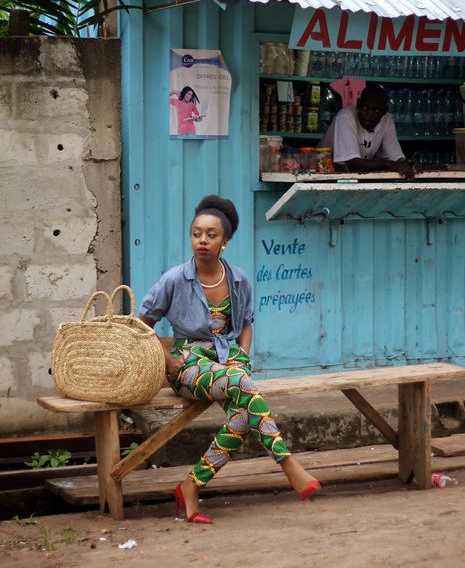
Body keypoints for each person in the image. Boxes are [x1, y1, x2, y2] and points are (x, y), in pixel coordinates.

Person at [139, 195, 320, 524]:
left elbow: (247, 323)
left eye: (211, 234)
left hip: (228, 365)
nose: (202, 241)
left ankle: (190, 487)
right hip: (189, 366)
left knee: (241, 418)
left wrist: (242, 358)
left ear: (225, 241)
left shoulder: (238, 279)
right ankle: (287, 463)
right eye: (196, 233)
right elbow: (140, 325)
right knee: (242, 384)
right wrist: (167, 360)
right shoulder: (175, 279)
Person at [320, 83, 422, 180]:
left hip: (352, 179)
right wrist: (389, 164)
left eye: (376, 110)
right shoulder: (345, 117)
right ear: (358, 104)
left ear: (384, 111)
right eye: (365, 107)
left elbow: (396, 158)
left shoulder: (386, 120)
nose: (369, 114)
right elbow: (352, 164)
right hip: (321, 172)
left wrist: (407, 164)